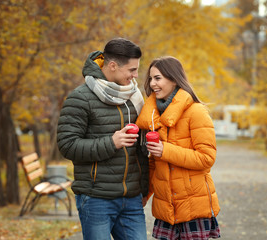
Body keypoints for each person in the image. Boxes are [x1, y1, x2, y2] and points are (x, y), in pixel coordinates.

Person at [57, 38, 149, 240]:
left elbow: (140, 150)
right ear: (113, 66)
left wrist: (143, 187)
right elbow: (67, 145)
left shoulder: (133, 96)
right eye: (132, 70)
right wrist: (111, 143)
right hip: (96, 198)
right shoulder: (80, 98)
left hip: (131, 198)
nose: (135, 76)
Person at [136, 56, 221, 240]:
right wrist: (145, 194)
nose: (152, 84)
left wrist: (165, 150)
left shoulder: (196, 112)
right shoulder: (155, 116)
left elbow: (207, 158)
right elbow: (155, 163)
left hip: (194, 208)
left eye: (157, 78)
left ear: (173, 78)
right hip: (166, 209)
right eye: (150, 79)